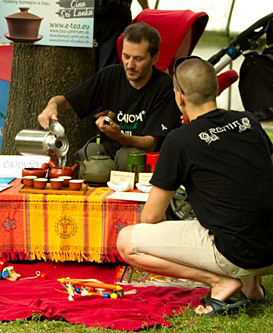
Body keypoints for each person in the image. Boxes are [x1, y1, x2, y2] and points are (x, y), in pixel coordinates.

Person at [116, 57, 273, 316]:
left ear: (180, 97)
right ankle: (251, 286)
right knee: (235, 210)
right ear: (217, 89)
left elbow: (152, 216)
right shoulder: (250, 122)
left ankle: (220, 282)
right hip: (269, 249)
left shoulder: (180, 139)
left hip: (235, 252)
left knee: (126, 242)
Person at [38, 22, 180, 170]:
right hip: (107, 152)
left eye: (138, 59)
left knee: (127, 157)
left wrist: (119, 136)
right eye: (126, 56)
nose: (130, 65)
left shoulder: (165, 86)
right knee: (88, 153)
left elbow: (150, 143)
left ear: (155, 58)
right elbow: (66, 100)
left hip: (142, 157)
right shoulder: (110, 75)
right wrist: (52, 106)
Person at [94, 0, 149, 69]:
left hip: (115, 13)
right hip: (87, 12)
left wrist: (146, 9)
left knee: (109, 65)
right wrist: (146, 9)